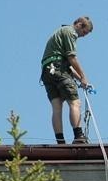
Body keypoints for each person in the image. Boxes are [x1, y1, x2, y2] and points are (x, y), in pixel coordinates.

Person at [40, 16, 93, 144]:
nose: (83, 36)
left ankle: (60, 141)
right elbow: (71, 58)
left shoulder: (59, 33)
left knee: (57, 107)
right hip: (58, 68)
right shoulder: (70, 32)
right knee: (75, 102)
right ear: (79, 24)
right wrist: (84, 76)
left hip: (48, 71)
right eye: (84, 32)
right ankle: (78, 136)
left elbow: (67, 64)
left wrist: (80, 79)